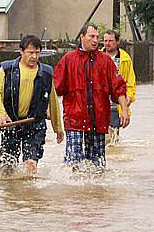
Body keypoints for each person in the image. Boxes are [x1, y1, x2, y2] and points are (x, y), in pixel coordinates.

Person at [53, 24, 129, 169]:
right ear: (82, 37)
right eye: (91, 36)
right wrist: (49, 110)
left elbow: (118, 87)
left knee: (98, 166)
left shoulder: (106, 61)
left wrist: (124, 110)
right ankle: (73, 191)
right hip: (74, 120)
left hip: (98, 120)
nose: (95, 40)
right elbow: (54, 89)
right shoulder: (68, 60)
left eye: (97, 37)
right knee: (73, 164)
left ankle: (96, 192)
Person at [0, 35, 64, 174]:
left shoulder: (46, 73)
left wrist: (58, 127)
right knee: (7, 168)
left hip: (35, 124)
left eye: (37, 53)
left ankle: (30, 195)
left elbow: (53, 101)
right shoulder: (7, 69)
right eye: (30, 52)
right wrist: (1, 113)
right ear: (21, 52)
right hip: (11, 123)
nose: (34, 56)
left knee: (31, 164)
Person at [102, 29, 136, 143]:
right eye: (105, 40)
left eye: (110, 41)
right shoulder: (97, 56)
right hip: (100, 102)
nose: (107, 43)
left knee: (113, 137)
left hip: (116, 104)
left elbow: (130, 81)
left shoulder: (125, 59)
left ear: (117, 41)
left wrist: (129, 97)